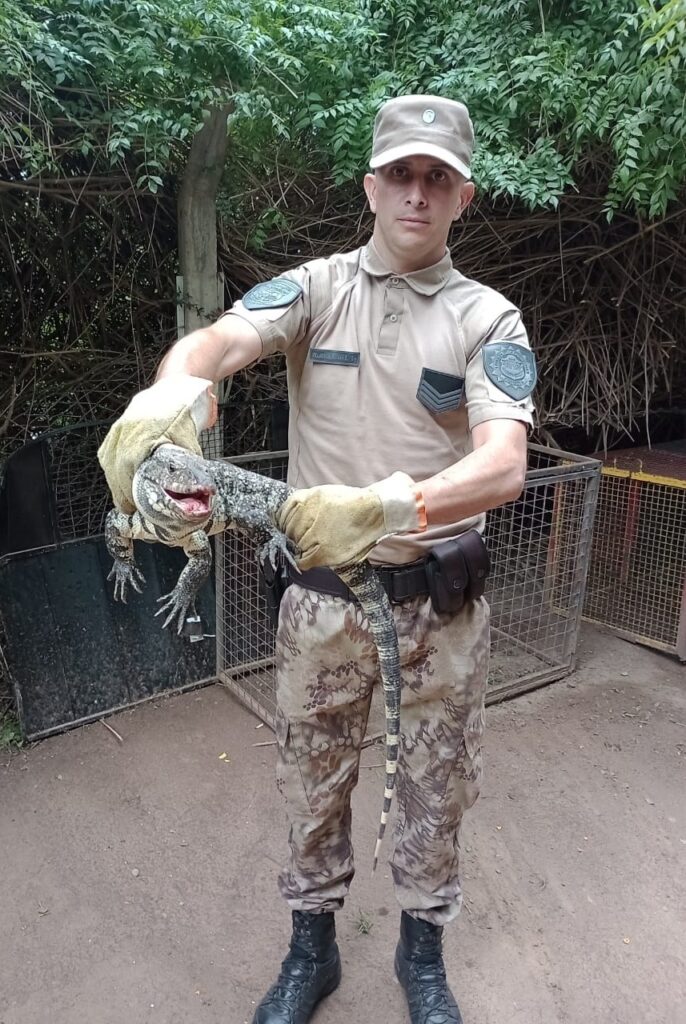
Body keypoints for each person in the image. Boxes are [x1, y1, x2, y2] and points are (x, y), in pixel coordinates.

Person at [99, 94, 536, 1024]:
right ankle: (311, 953)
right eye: (401, 175)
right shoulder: (318, 287)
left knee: (436, 783)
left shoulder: (488, 319)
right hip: (322, 604)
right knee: (312, 779)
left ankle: (423, 960)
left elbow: (504, 464)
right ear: (371, 185)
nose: (417, 194)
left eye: (438, 178)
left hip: (439, 605)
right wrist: (170, 392)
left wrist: (391, 504)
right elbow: (221, 340)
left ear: (464, 197)